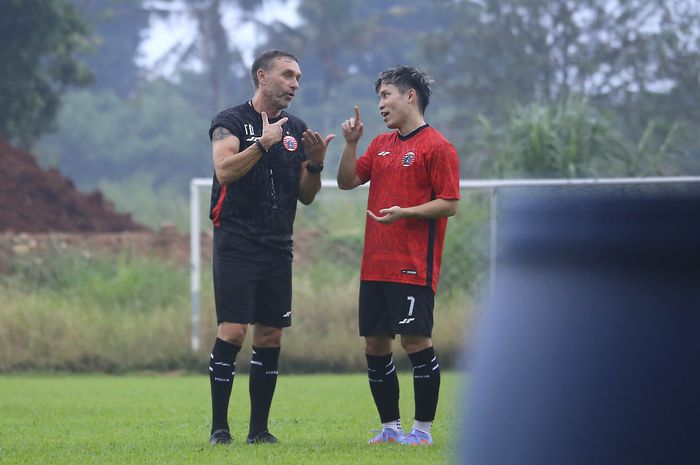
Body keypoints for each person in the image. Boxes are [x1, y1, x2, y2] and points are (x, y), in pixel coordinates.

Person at [206, 49, 334, 446]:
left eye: (298, 77)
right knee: (232, 331)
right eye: (288, 75)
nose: (295, 83)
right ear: (262, 77)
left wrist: (315, 164)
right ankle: (219, 429)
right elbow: (224, 171)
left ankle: (259, 430)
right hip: (237, 241)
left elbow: (307, 197)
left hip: (278, 245)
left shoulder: (297, 128)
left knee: (271, 337)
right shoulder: (229, 122)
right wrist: (262, 143)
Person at [336, 65, 460, 446]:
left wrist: (407, 212)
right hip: (375, 265)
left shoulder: (438, 147)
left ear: (410, 96)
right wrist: (352, 143)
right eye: (379, 97)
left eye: (386, 95)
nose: (381, 104)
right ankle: (390, 428)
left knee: (415, 343)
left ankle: (421, 431)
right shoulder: (380, 145)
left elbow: (450, 203)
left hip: (412, 266)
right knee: (375, 344)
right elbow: (346, 182)